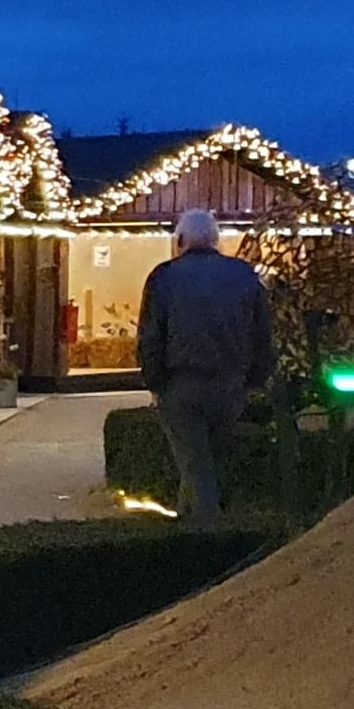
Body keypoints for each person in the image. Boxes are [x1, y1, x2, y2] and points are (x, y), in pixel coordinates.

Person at [136, 207, 276, 519]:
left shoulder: (164, 277)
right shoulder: (244, 275)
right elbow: (262, 335)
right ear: (215, 239)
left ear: (181, 239)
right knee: (207, 462)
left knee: (196, 465)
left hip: (181, 385)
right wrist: (253, 381)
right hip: (231, 387)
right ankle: (187, 527)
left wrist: (155, 383)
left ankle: (205, 537)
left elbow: (150, 336)